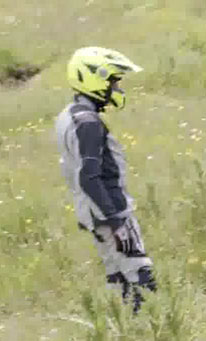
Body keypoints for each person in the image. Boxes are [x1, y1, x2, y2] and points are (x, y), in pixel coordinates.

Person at [54, 47, 156, 313]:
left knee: (118, 280)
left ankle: (125, 336)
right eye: (113, 81)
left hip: (90, 212)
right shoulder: (89, 123)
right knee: (142, 279)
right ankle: (148, 335)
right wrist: (117, 222)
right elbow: (89, 176)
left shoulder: (69, 115)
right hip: (110, 212)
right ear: (95, 80)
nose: (117, 88)